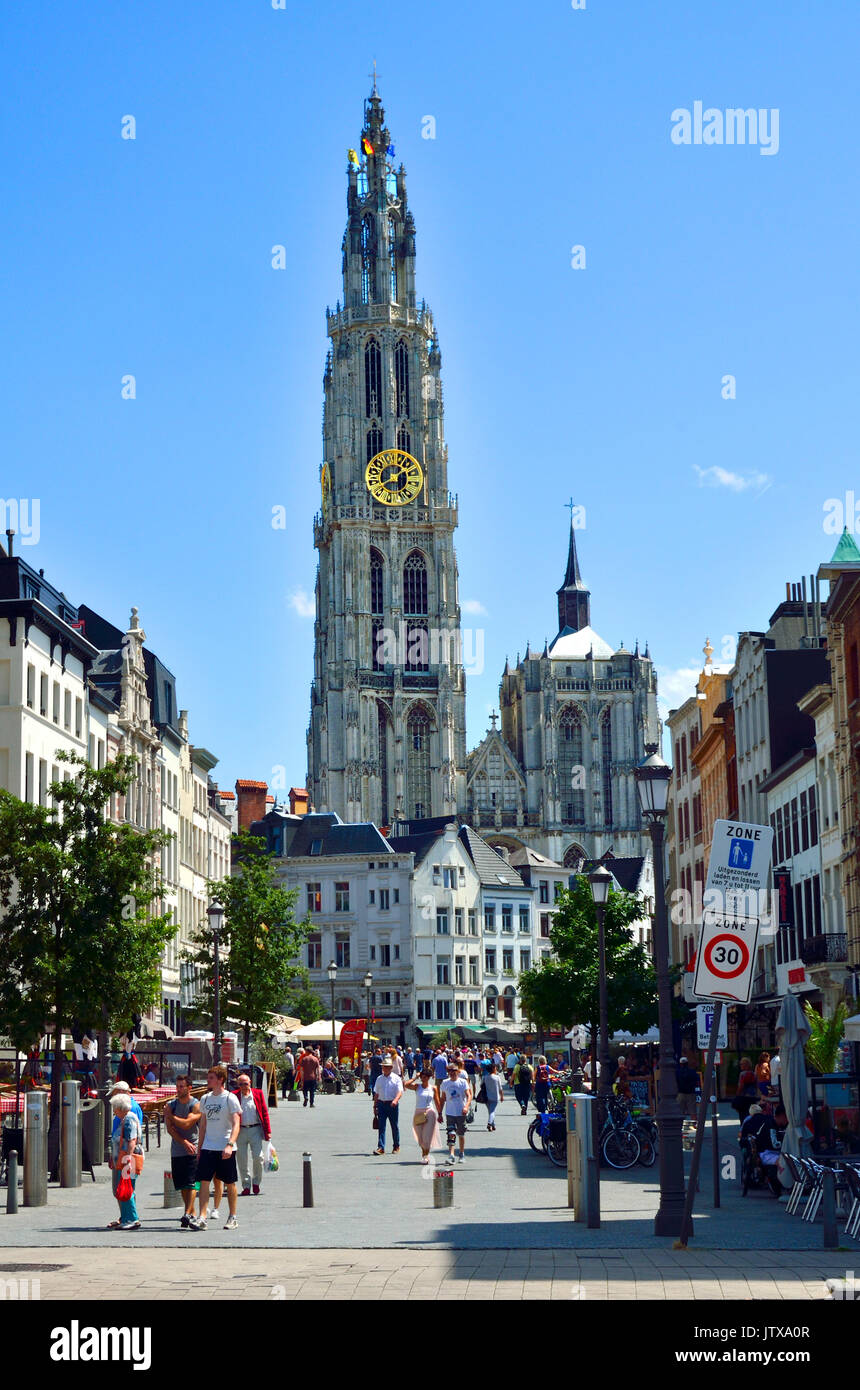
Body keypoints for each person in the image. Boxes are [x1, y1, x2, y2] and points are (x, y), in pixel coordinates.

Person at [191, 1065, 241, 1231]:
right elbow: (203, 1126)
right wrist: (200, 1148)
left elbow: (236, 1124)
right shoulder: (205, 1099)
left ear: (220, 1080)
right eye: (209, 1077)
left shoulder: (230, 1098)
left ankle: (232, 1216)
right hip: (208, 1147)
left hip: (225, 1147)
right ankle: (202, 1217)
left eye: (212, 1077)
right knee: (204, 1182)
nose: (208, 1080)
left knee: (230, 1182)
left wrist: (230, 1144)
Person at [164, 1074, 201, 1228]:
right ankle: (191, 1212)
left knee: (192, 1182)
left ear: (189, 1088)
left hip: (193, 1147)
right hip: (178, 1149)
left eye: (181, 1086)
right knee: (182, 1185)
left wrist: (171, 1116)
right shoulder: (171, 1105)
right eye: (177, 1086)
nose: (178, 1089)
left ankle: (186, 1213)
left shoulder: (195, 1104)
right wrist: (183, 1141)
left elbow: (186, 1124)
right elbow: (170, 1130)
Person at [232, 1071, 271, 1196]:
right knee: (242, 1159)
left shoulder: (258, 1094)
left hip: (255, 1129)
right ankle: (246, 1185)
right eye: (241, 1084)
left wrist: (268, 1131)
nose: (244, 1086)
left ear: (250, 1083)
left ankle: (256, 1182)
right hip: (240, 1131)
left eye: (246, 1084)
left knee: (258, 1157)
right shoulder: (234, 1096)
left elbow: (264, 1112)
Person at [108, 1092, 143, 1231]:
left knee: (127, 1188)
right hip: (124, 1159)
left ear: (120, 1108)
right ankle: (126, 1217)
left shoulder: (128, 1119)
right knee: (126, 1188)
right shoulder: (127, 1119)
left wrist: (127, 1158)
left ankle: (132, 1218)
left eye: (115, 1108)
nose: (114, 1111)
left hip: (128, 1159)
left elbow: (131, 1140)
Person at [437, 1060, 472, 1163]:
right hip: (450, 1113)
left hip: (461, 1112)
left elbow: (469, 1095)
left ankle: (461, 1153)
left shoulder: (463, 1082)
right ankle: (451, 1155)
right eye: (450, 1071)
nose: (452, 1072)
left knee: (461, 1134)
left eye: (454, 1070)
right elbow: (443, 1098)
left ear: (458, 1072)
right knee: (450, 1133)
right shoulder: (445, 1083)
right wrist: (439, 1113)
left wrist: (466, 1106)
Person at [404, 1067, 442, 1162]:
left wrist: (440, 1114)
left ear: (429, 1077)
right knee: (420, 1136)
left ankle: (425, 1156)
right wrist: (415, 1077)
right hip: (419, 1112)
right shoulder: (417, 1086)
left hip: (430, 1112)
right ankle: (424, 1153)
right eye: (422, 1077)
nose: (423, 1078)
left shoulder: (433, 1088)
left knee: (427, 1136)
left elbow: (437, 1102)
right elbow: (406, 1085)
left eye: (425, 1077)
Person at [372, 1055, 404, 1155]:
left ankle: (396, 1146)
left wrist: (395, 1100)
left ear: (391, 1068)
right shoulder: (379, 1079)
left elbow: (400, 1092)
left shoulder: (396, 1078)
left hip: (392, 1105)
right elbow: (376, 1093)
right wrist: (375, 1106)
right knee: (381, 1127)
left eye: (387, 1067)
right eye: (383, 1066)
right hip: (381, 1104)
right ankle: (381, 1147)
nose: (384, 1068)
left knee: (394, 1126)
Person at [733, 1057, 759, 1124]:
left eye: (742, 1064)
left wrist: (737, 1096)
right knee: (752, 1115)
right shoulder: (754, 1074)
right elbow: (756, 1086)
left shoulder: (742, 1074)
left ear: (747, 1065)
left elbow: (741, 1086)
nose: (741, 1065)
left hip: (743, 1098)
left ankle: (744, 1130)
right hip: (752, 1098)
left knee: (743, 1116)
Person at [483, 1062, 504, 1131]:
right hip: (495, 1097)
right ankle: (489, 1123)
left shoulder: (485, 1077)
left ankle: (493, 1125)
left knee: (490, 1111)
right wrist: (502, 1096)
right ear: (493, 1069)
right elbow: (500, 1088)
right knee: (492, 1111)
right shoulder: (497, 1077)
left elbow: (482, 1086)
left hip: (486, 1097)